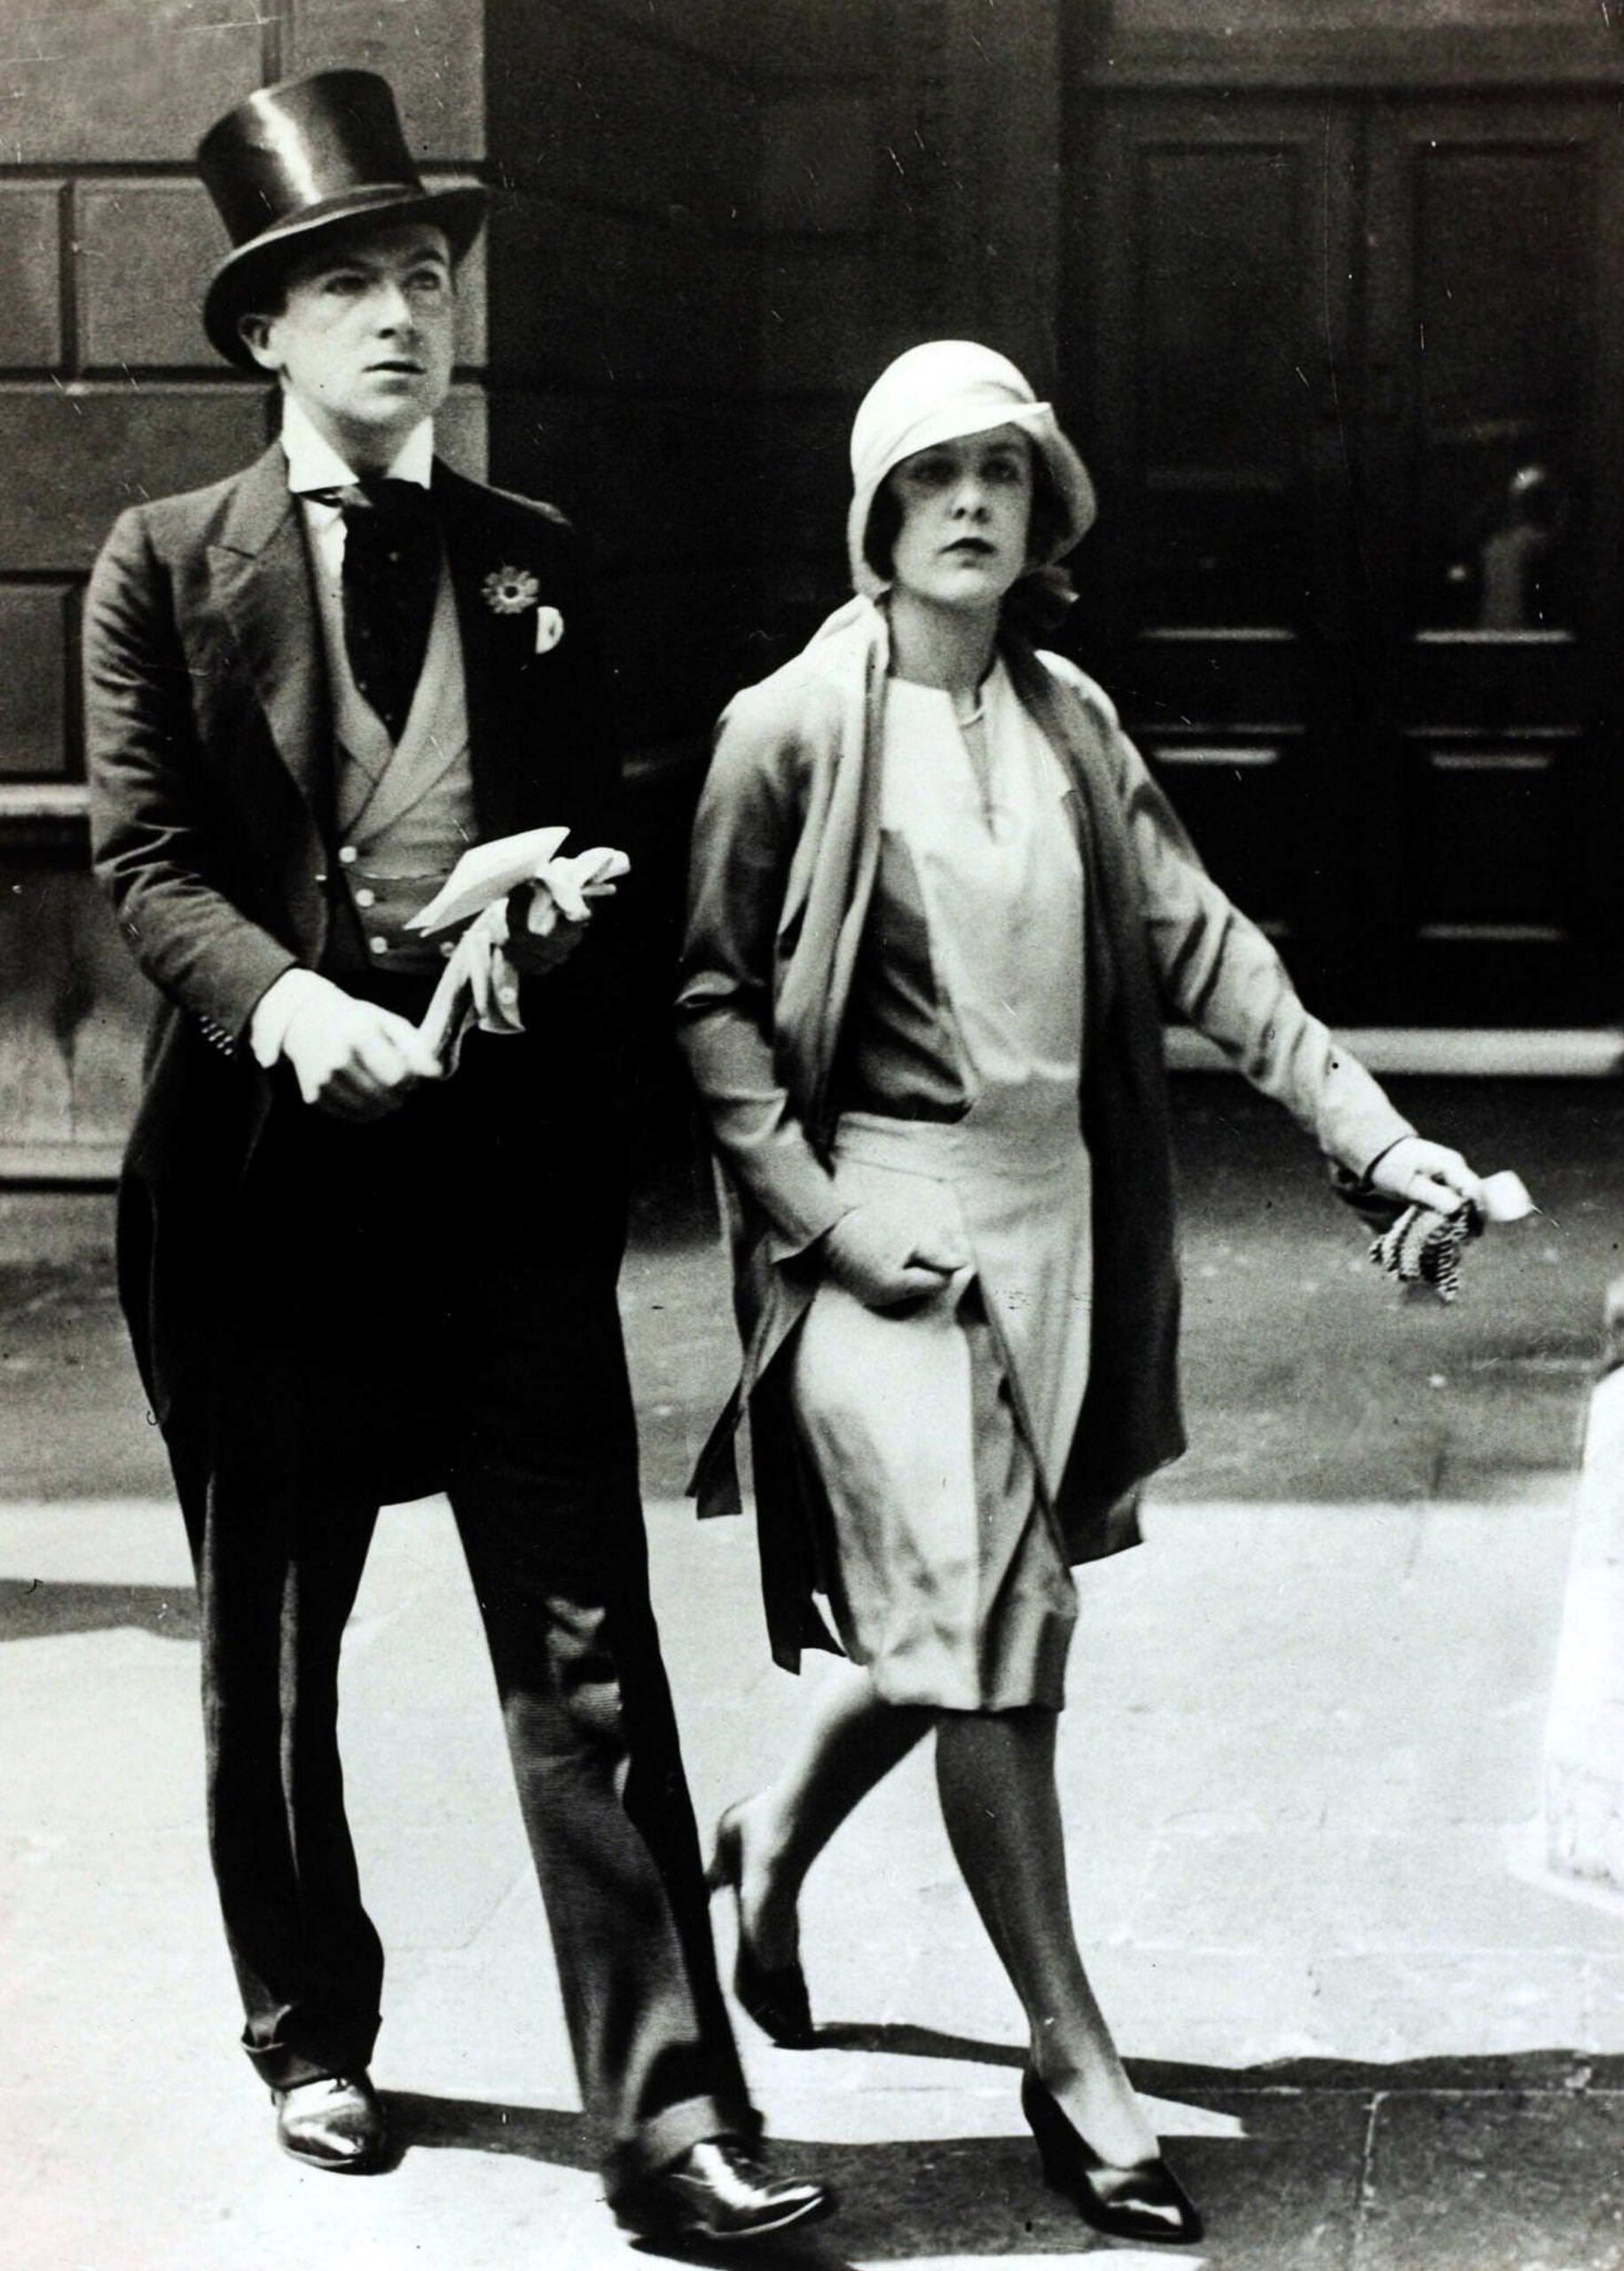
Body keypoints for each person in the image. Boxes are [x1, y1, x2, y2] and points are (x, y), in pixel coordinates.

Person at [83, 68, 830, 2246]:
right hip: (254, 1200)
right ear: (268, 333)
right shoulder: (159, 564)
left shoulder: (538, 569)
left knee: (588, 1644)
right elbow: (143, 863)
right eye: (352, 284)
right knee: (275, 1650)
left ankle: (674, 2116)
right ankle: (308, 2020)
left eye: (422, 276)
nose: (405, 315)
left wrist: (527, 914)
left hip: (494, 1191)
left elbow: (593, 848)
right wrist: (295, 996)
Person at [675, 340, 1487, 2246]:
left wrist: (1373, 1139)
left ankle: (768, 1831)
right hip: (885, 1231)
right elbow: (709, 1002)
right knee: (1004, 1634)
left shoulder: (1066, 717)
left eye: (1007, 475)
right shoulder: (786, 724)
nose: (973, 503)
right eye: (934, 474)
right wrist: (817, 1218)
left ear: (1043, 514)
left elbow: (1210, 948)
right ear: (875, 513)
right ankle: (1075, 2054)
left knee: (975, 1607)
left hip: (1055, 1226)